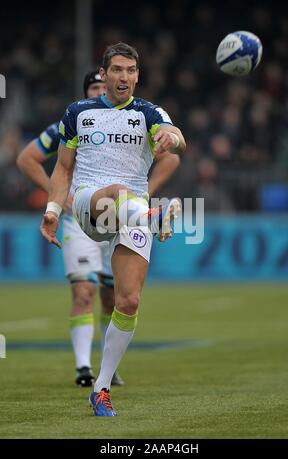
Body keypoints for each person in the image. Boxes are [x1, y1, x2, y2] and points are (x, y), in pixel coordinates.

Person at [40, 43, 186, 416]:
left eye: (131, 71)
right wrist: (54, 209)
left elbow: (176, 136)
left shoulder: (148, 112)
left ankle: (101, 388)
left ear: (138, 75)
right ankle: (154, 216)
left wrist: (172, 137)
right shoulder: (78, 112)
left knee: (129, 301)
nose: (124, 77)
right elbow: (62, 169)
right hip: (92, 203)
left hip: (129, 214)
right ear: (104, 74)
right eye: (117, 70)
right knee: (118, 193)